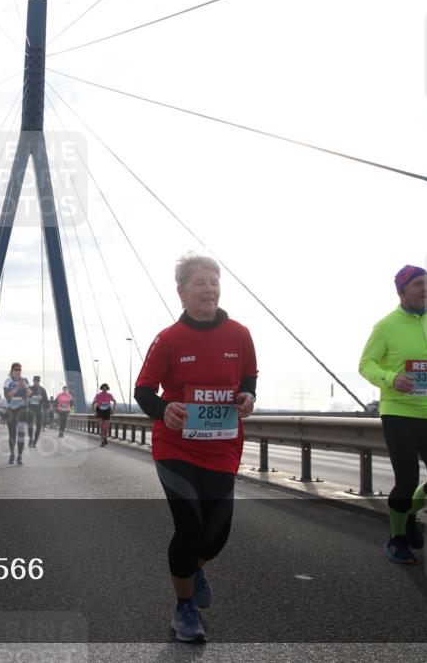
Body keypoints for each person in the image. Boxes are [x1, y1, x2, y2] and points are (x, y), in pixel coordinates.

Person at [134, 254, 257, 643]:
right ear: (182, 292)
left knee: (216, 534)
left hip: (222, 447)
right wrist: (164, 409)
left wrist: (248, 397)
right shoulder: (168, 339)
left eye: (213, 282)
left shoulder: (239, 334)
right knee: (189, 526)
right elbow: (143, 391)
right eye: (200, 283)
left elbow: (249, 377)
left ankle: (193, 568)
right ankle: (183, 608)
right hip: (176, 446)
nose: (209, 289)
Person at [358, 265, 427, 566]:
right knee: (406, 481)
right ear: (402, 291)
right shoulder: (386, 326)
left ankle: (409, 514)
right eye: (418, 284)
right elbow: (367, 364)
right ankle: (397, 538)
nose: (425, 289)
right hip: (399, 413)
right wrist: (392, 379)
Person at [3, 364, 30, 465]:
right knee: (12, 434)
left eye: (20, 370)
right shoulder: (8, 381)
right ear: (12, 371)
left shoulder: (24, 380)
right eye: (16, 370)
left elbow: (30, 393)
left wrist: (26, 390)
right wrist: (18, 387)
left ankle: (19, 456)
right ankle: (12, 454)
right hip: (11, 410)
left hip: (22, 410)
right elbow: (8, 397)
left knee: (21, 435)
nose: (18, 371)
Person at [27, 375, 50, 448]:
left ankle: (35, 442)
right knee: (30, 425)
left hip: (39, 409)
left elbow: (46, 401)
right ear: (33, 381)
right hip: (30, 409)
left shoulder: (42, 390)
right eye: (35, 381)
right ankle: (30, 439)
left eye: (37, 381)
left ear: (39, 381)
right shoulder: (30, 388)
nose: (36, 382)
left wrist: (42, 399)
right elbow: (26, 396)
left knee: (39, 426)